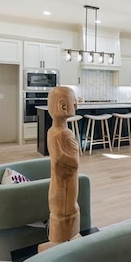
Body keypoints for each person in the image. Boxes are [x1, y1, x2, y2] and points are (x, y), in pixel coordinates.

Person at [45, 86, 80, 243]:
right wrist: (74, 158)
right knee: (67, 212)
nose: (76, 105)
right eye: (74, 102)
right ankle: (65, 245)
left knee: (66, 210)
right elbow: (72, 162)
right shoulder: (64, 133)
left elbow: (59, 158)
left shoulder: (52, 131)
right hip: (64, 190)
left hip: (57, 189)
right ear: (63, 106)